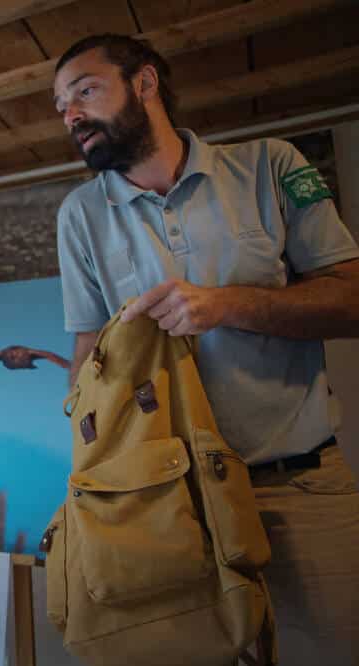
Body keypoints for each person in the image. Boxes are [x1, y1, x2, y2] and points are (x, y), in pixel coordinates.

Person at [53, 33, 359, 664]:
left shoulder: (271, 165)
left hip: (299, 487)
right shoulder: (78, 215)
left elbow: (352, 299)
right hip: (166, 508)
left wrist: (227, 304)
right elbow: (87, 349)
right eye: (61, 106)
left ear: (144, 83)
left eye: (85, 90)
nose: (71, 114)